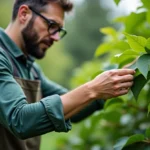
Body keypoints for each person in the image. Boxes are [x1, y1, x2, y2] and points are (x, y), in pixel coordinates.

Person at [0, 0, 135, 150]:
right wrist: (92, 89)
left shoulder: (32, 69)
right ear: (24, 14)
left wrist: (129, 72)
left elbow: (71, 106)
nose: (56, 37)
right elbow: (20, 120)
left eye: (59, 30)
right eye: (51, 26)